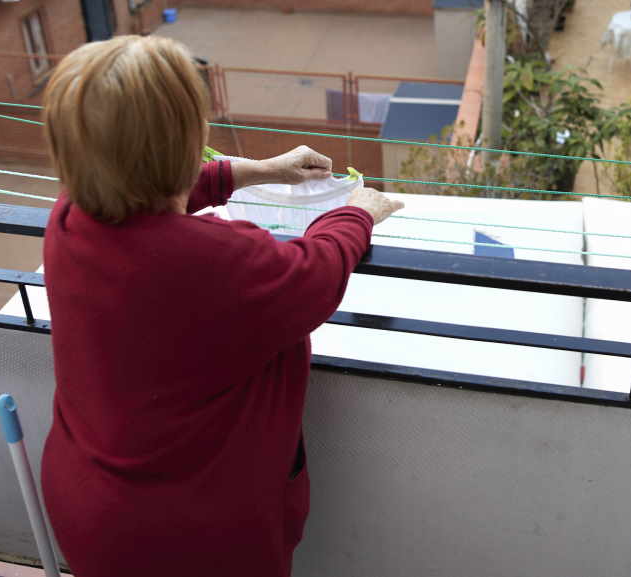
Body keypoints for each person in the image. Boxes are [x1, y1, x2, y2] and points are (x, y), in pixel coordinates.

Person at [38, 35, 402, 577]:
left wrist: (258, 171)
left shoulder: (71, 221)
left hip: (89, 509)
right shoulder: (212, 260)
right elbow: (313, 274)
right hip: (194, 540)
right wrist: (357, 215)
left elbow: (141, 192)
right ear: (185, 141)